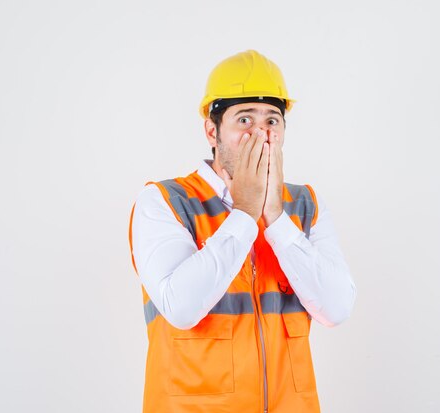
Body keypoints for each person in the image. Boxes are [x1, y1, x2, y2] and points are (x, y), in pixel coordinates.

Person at [128, 49, 356, 413]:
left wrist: (276, 219)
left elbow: (337, 308)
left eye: (272, 121)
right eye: (245, 120)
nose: (261, 135)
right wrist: (246, 213)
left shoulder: (305, 205)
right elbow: (182, 307)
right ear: (212, 131)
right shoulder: (165, 202)